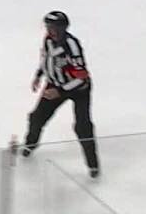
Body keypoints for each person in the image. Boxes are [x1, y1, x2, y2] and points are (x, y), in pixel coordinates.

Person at [22, 11, 100, 178]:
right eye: (48, 27)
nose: (50, 31)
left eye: (53, 27)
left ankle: (93, 165)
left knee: (83, 127)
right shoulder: (48, 40)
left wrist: (60, 91)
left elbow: (82, 78)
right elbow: (46, 60)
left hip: (78, 90)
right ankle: (30, 144)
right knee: (36, 117)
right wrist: (39, 75)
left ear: (63, 28)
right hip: (55, 85)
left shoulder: (72, 45)